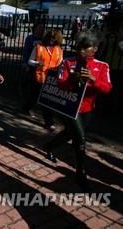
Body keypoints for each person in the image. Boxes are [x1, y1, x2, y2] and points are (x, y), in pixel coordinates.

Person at [44, 31, 112, 190]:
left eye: (85, 47)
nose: (81, 50)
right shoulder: (68, 63)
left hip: (88, 110)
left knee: (69, 134)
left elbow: (107, 88)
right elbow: (60, 83)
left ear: (94, 49)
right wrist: (72, 80)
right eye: (78, 47)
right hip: (70, 109)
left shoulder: (102, 66)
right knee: (80, 139)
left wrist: (93, 80)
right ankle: (80, 173)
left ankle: (49, 146)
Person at [28, 29, 64, 130]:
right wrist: (37, 63)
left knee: (46, 100)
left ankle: (49, 122)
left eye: (54, 38)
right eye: (50, 38)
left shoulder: (59, 50)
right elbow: (30, 61)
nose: (51, 40)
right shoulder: (39, 47)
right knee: (35, 96)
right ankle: (27, 107)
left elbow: (61, 64)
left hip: (51, 80)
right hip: (39, 77)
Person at [21, 23, 45, 115]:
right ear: (35, 29)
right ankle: (26, 106)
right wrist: (25, 63)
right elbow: (26, 51)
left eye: (42, 29)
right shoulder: (30, 38)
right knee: (29, 87)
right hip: (31, 65)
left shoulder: (43, 40)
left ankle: (28, 106)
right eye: (39, 28)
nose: (41, 30)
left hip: (40, 67)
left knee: (36, 89)